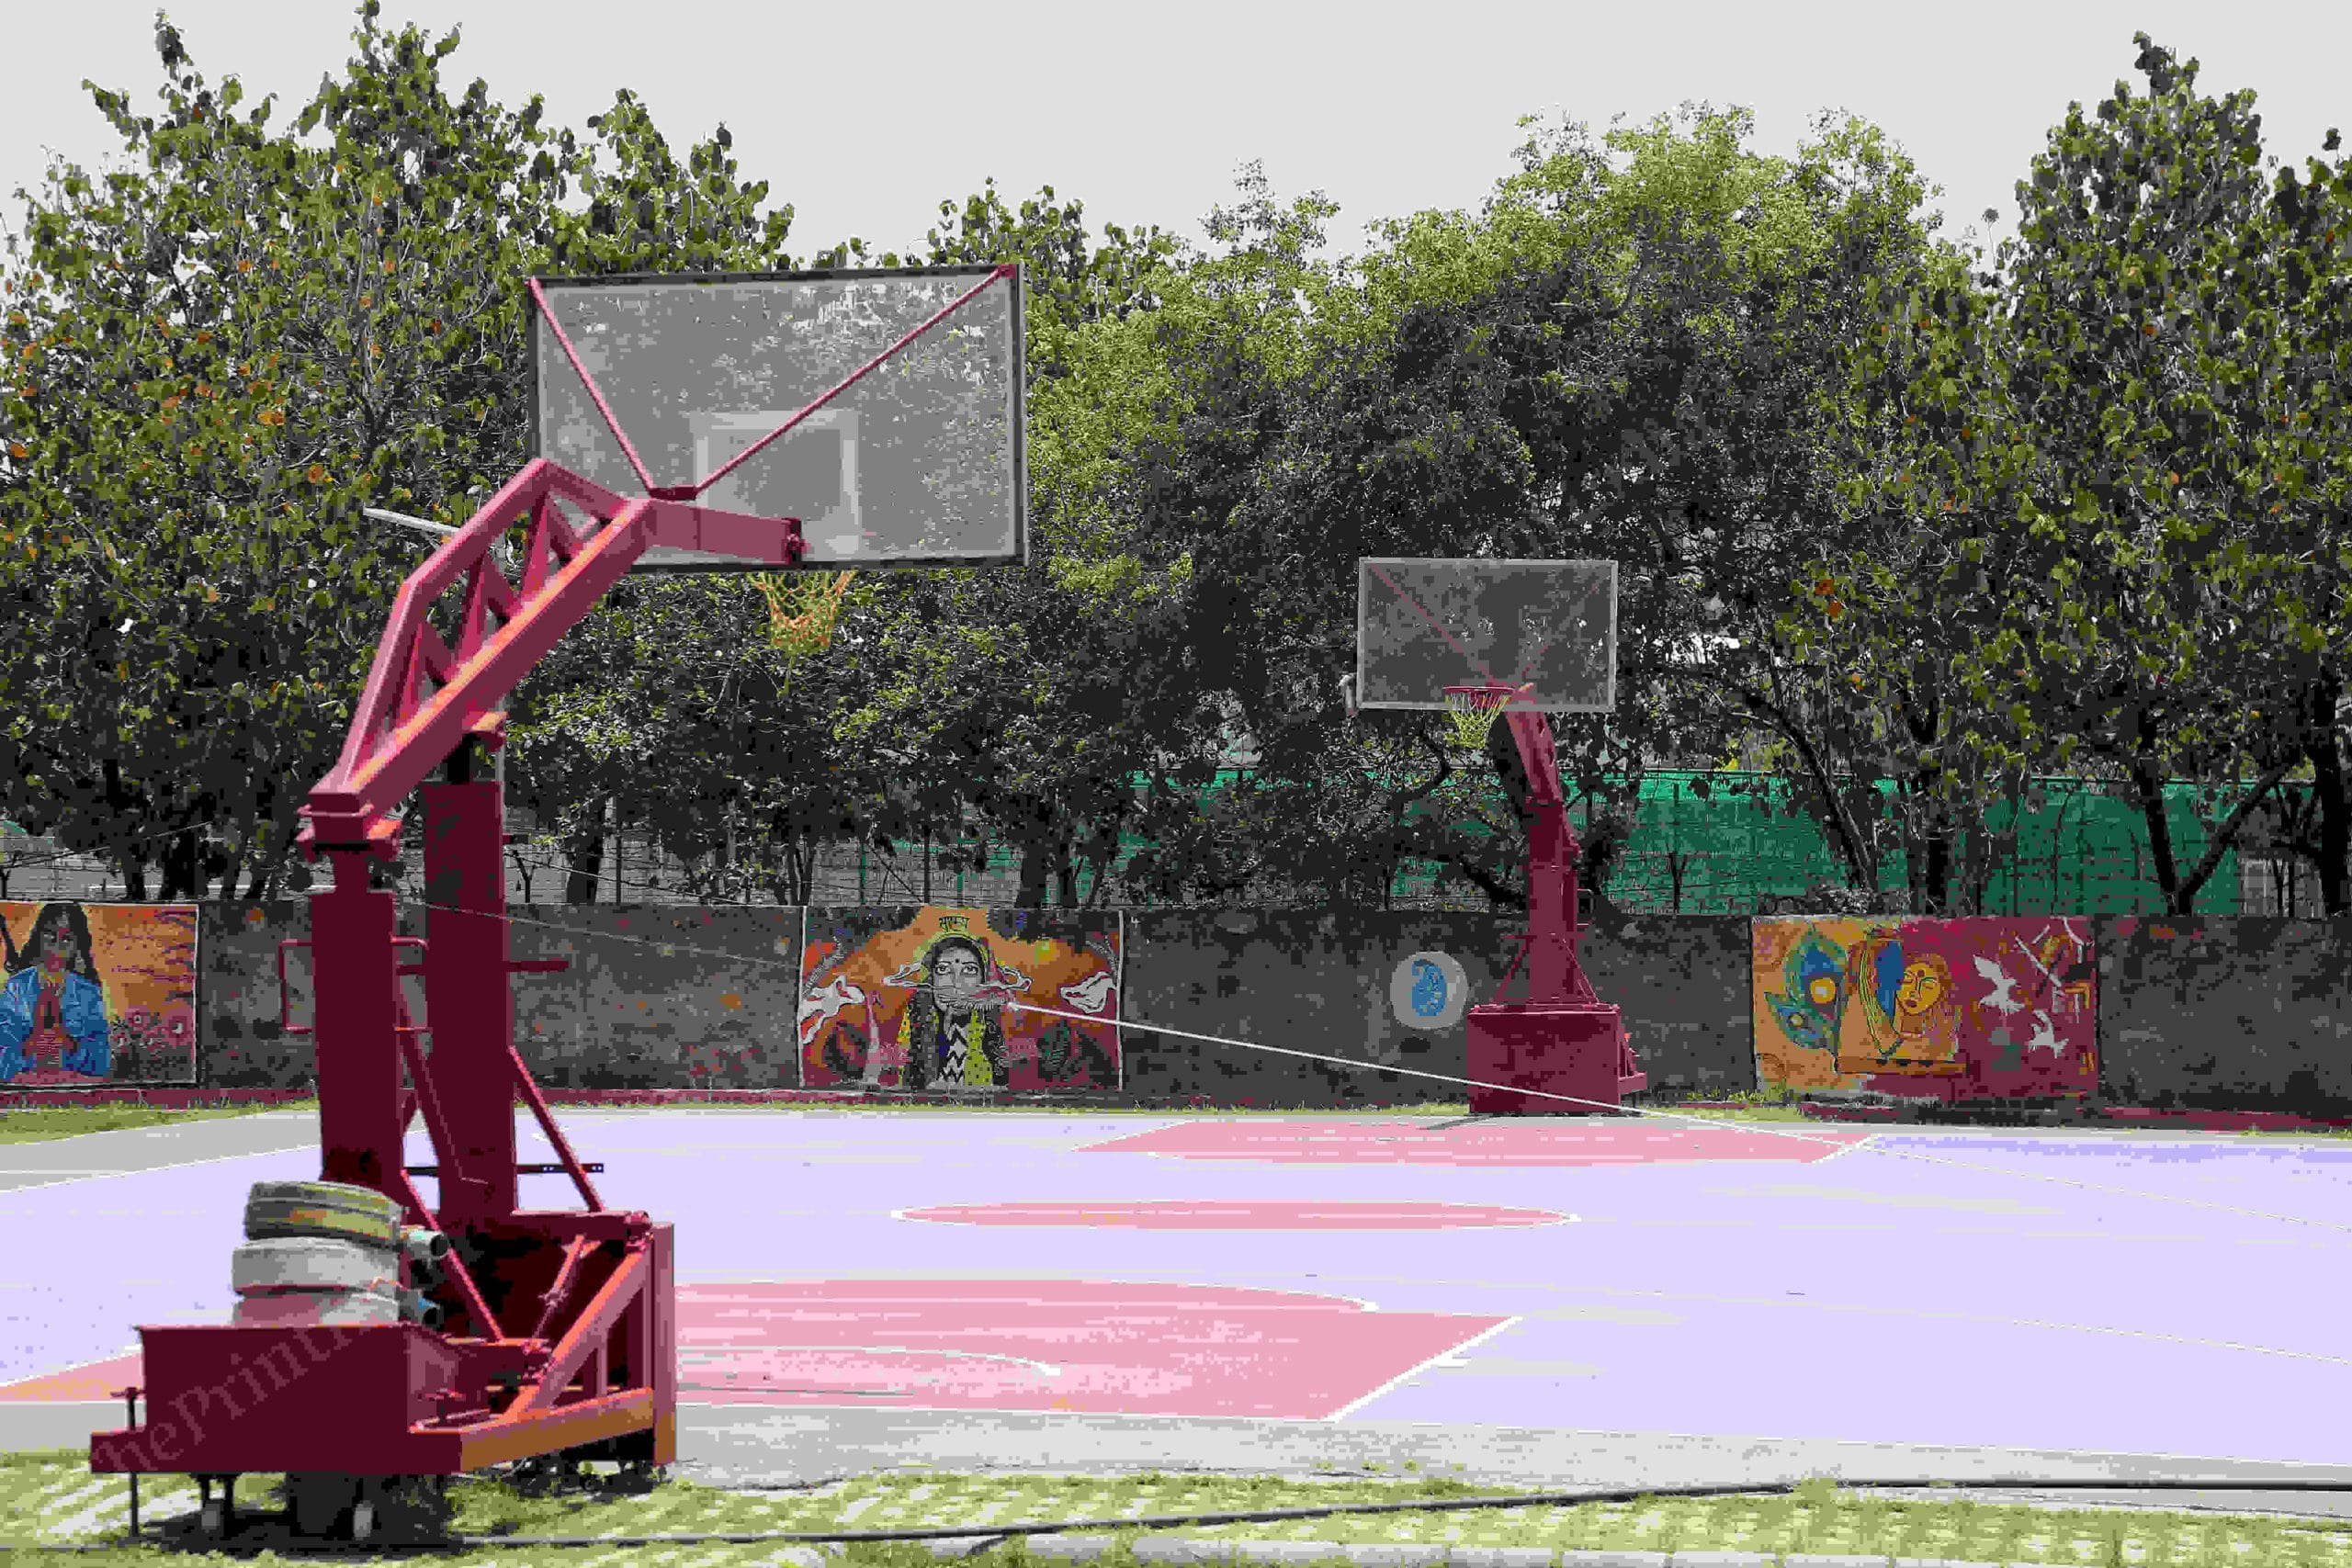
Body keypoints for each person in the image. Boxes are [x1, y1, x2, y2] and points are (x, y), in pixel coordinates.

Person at [0, 902, 112, 1085]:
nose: (57, 946)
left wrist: (65, 1039)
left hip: (74, 1086)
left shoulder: (87, 992)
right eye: (50, 936)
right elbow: (3, 1052)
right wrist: (34, 1039)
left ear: (77, 944)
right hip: (24, 1086)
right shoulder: (18, 987)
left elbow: (100, 1060)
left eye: (67, 939)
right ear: (38, 937)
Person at [885, 933, 1010, 1093]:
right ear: (931, 979)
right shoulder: (914, 1028)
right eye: (943, 969)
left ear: (983, 981)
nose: (956, 982)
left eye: (969, 970)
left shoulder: (992, 1034)